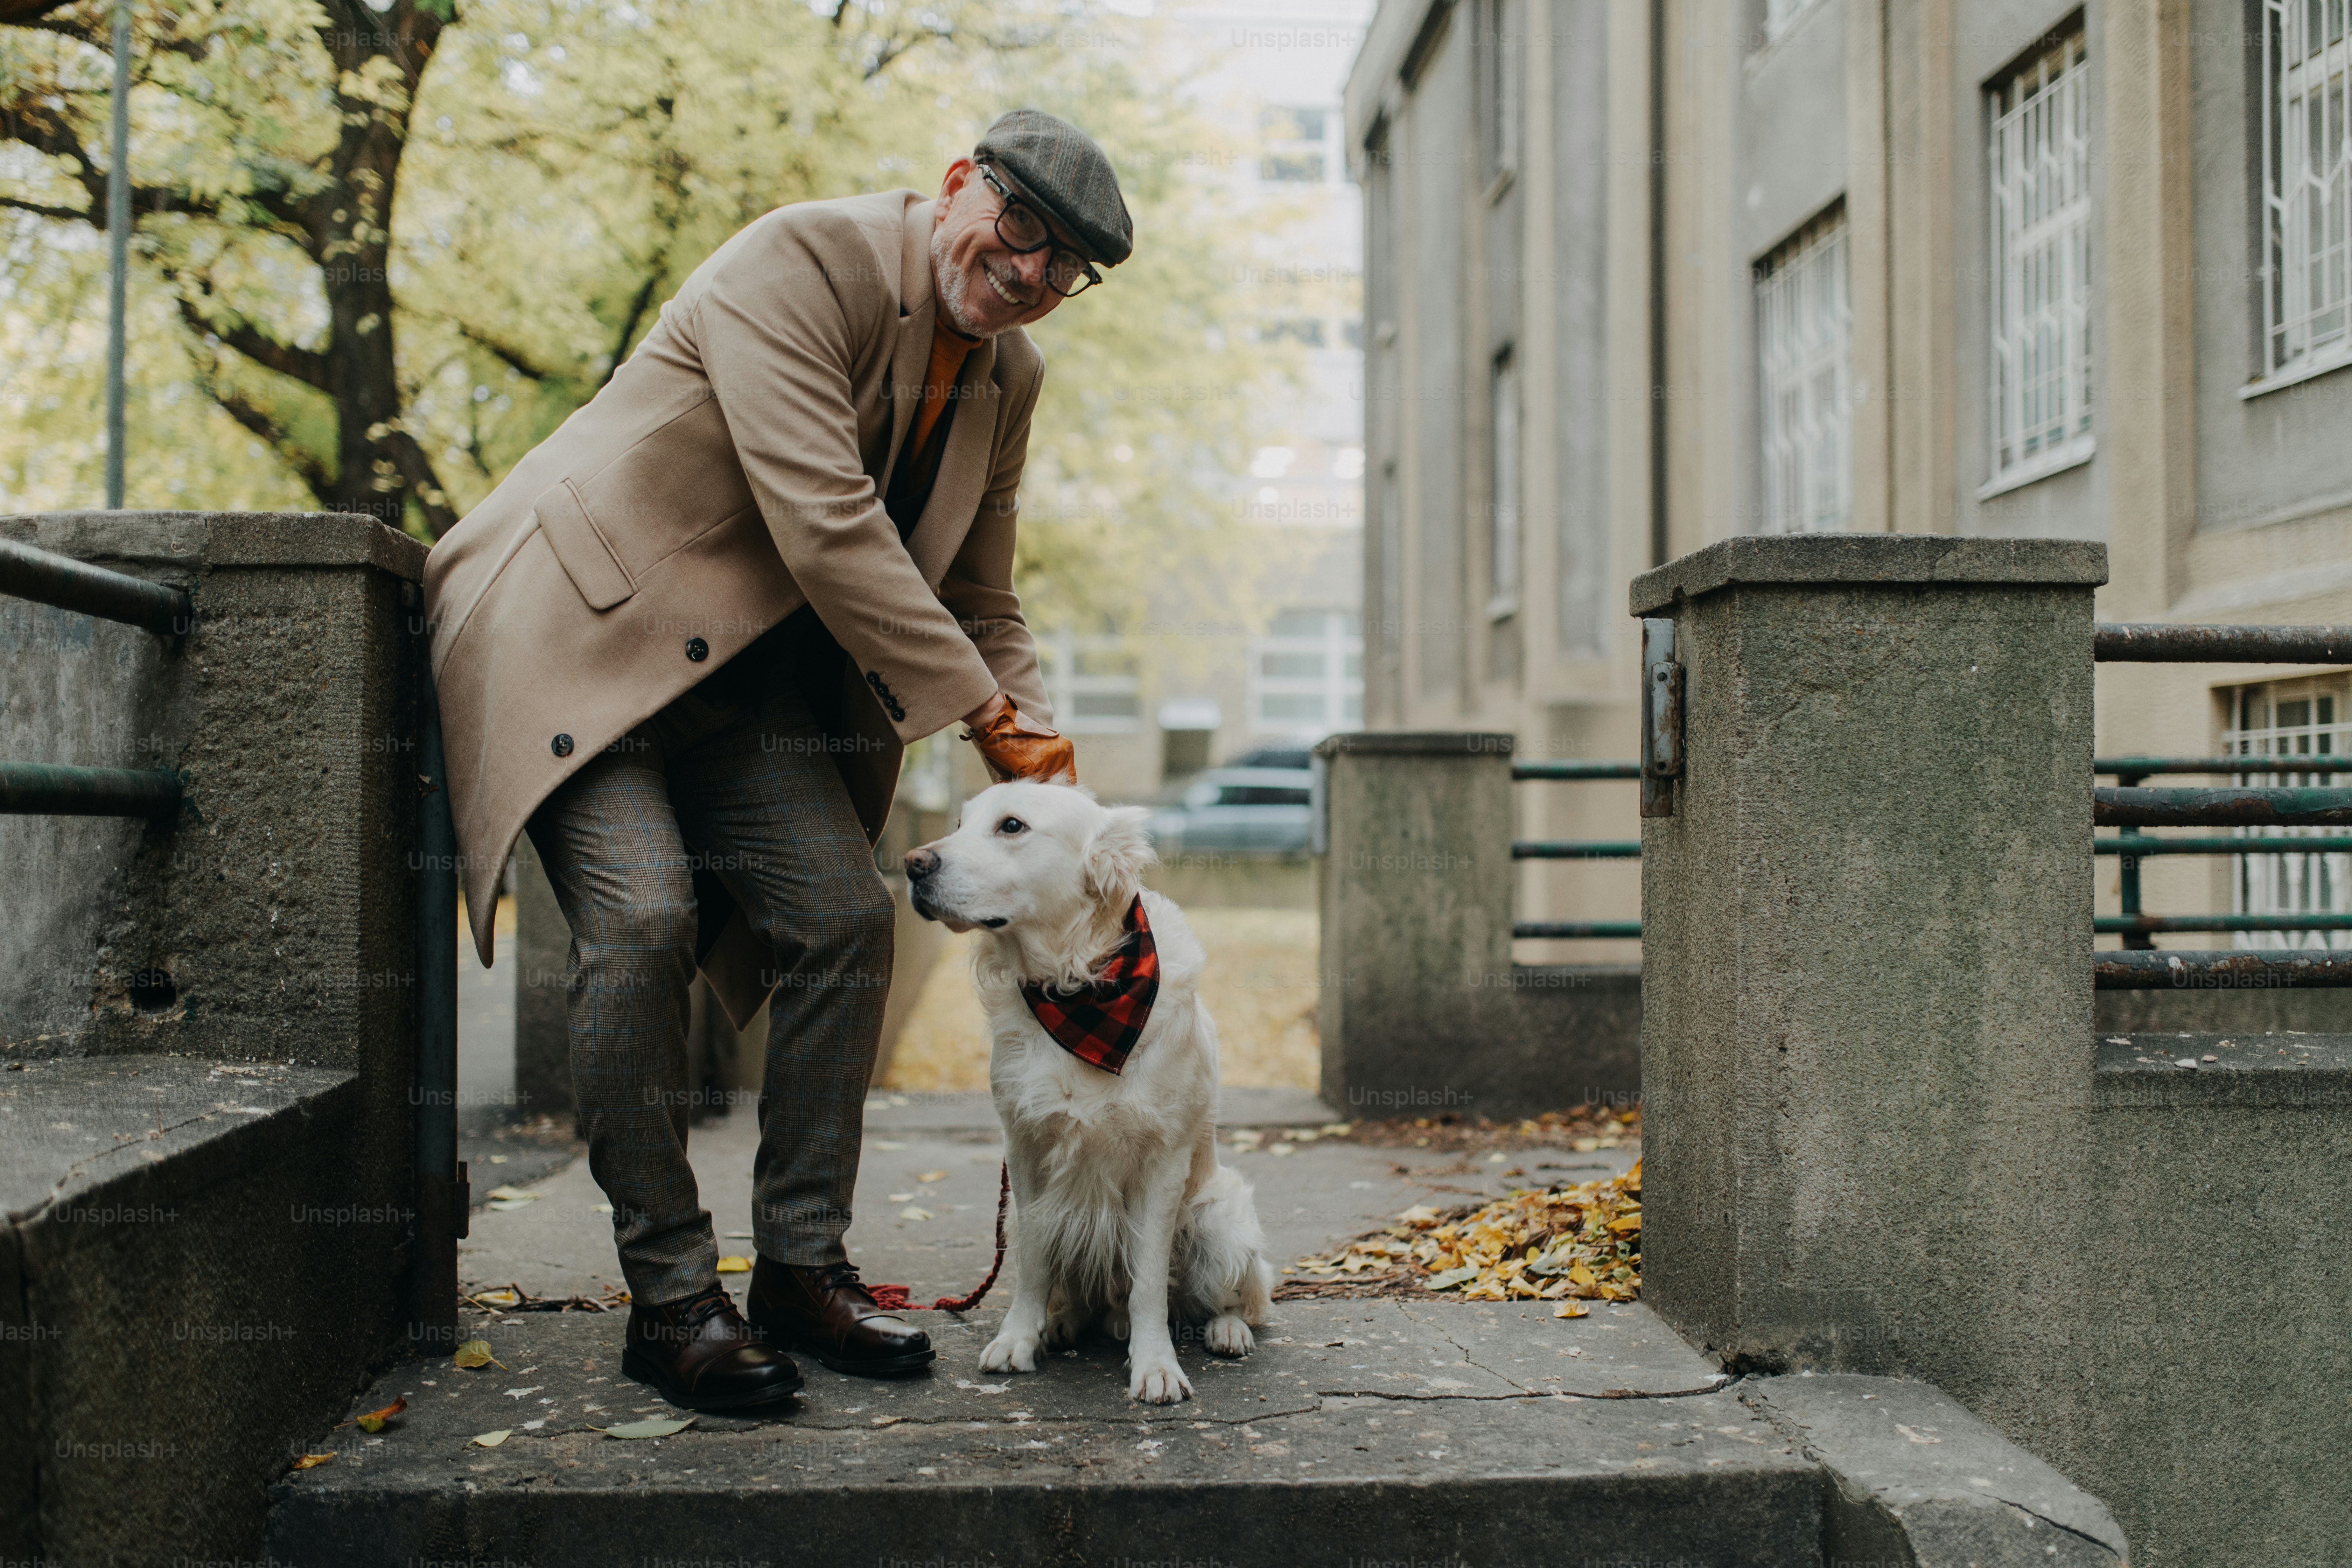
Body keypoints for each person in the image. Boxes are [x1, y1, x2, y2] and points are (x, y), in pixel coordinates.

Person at [421, 109, 1128, 1410]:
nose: (1031, 273)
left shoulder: (1007, 379)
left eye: (1065, 264)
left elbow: (983, 596)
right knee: (642, 920)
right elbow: (827, 522)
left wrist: (1039, 766)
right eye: (1020, 226)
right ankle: (672, 1297)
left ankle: (802, 1269)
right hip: (581, 629)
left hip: (737, 683)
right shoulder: (798, 262)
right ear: (958, 185)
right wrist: (983, 715)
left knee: (846, 916)